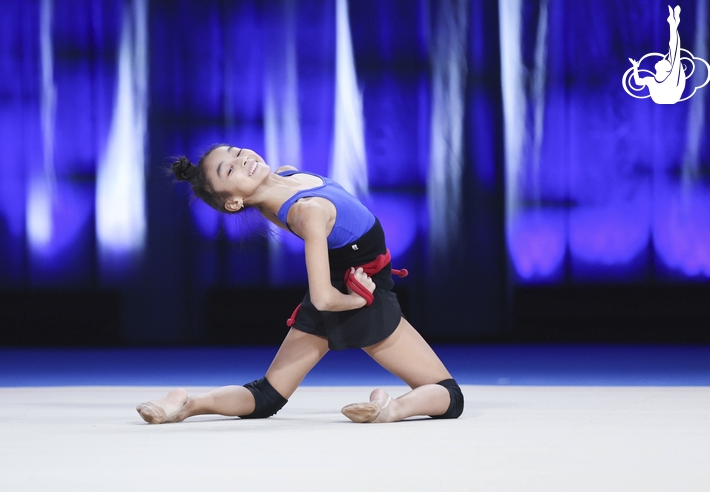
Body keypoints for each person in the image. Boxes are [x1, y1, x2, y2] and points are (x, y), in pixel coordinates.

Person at [136, 144, 464, 424]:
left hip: (353, 281)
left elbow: (265, 198)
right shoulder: (306, 211)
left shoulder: (289, 174)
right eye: (229, 169)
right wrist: (358, 299)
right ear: (233, 202)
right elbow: (323, 298)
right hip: (356, 289)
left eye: (237, 152)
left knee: (267, 395)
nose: (242, 160)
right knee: (450, 395)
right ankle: (392, 409)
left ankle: (186, 403)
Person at [629, 5, 685, 104]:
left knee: (674, 51)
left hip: (671, 95)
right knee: (674, 52)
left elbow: (675, 49)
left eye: (664, 61)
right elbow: (638, 82)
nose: (662, 59)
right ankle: (673, 23)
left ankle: (673, 23)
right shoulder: (652, 80)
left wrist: (673, 26)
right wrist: (635, 67)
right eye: (664, 60)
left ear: (665, 69)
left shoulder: (670, 78)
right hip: (666, 96)